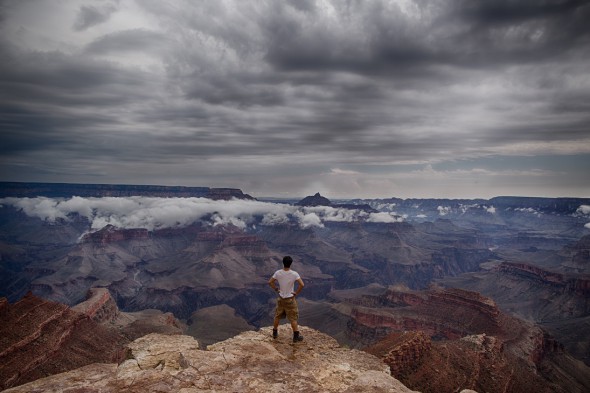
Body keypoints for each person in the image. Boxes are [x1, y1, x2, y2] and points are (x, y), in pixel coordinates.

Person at [268, 255, 305, 342]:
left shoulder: (278, 273)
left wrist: (276, 289)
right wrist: (296, 293)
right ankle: (296, 336)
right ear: (291, 264)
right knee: (293, 318)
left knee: (277, 315)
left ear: (283, 263)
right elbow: (302, 285)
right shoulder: (294, 274)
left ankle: (274, 333)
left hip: (281, 298)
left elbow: (270, 282)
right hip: (290, 299)